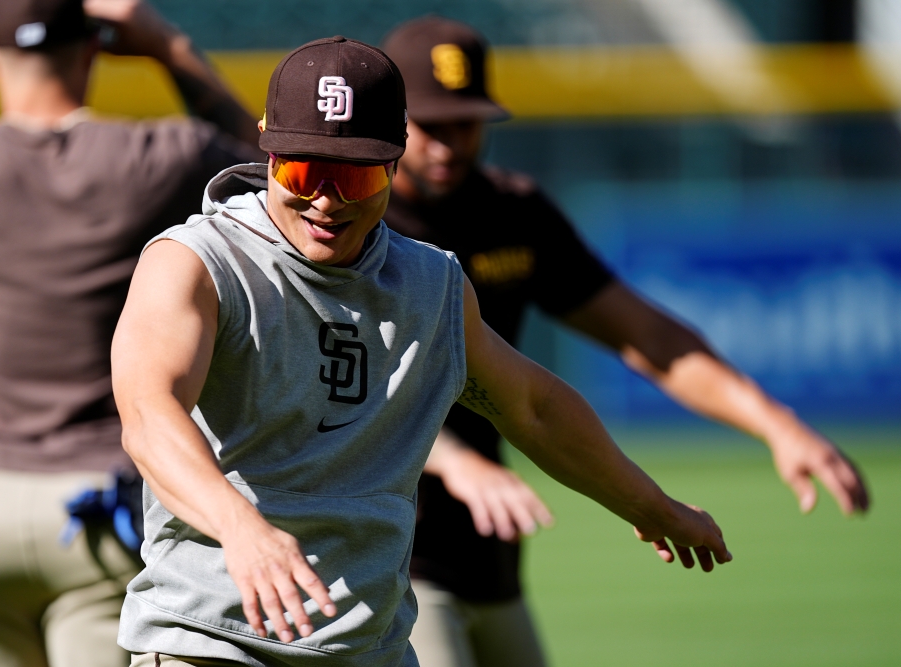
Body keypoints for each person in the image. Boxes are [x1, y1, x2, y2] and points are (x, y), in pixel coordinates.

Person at [111, 35, 733, 667]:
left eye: (353, 174)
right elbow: (148, 412)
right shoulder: (196, 262)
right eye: (304, 171)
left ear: (394, 162)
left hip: (367, 648)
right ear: (268, 152)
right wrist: (240, 527)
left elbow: (534, 409)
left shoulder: (429, 286)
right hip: (209, 639)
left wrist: (653, 507)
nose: (328, 199)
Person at [379, 16, 872, 667]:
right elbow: (348, 384)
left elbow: (649, 336)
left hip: (490, 552)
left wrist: (775, 422)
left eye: (464, 122)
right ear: (392, 121)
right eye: (430, 124)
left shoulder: (512, 212)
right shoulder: (360, 221)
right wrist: (455, 459)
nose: (448, 144)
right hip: (389, 558)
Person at [0, 0, 261, 665]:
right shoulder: (153, 156)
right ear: (94, 50)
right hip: (94, 508)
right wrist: (166, 46)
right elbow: (267, 166)